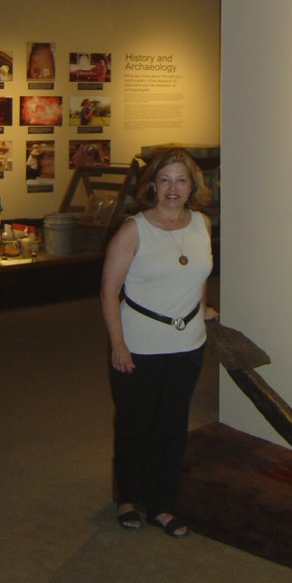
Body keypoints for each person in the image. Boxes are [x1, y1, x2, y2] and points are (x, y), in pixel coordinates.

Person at [100, 147, 218, 536]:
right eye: (165, 179)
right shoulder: (134, 229)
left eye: (181, 179)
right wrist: (118, 344)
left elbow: (199, 274)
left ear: (193, 185)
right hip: (140, 345)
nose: (173, 188)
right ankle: (129, 498)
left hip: (187, 345)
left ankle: (163, 504)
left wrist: (201, 310)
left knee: (172, 427)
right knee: (136, 425)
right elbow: (109, 290)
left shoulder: (201, 223)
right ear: (152, 185)